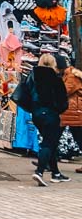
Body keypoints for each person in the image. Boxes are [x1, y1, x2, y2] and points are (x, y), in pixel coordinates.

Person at [31, 54, 70, 186]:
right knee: (48, 143)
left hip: (36, 114)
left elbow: (26, 93)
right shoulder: (56, 80)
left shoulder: (33, 77)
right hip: (50, 114)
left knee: (50, 142)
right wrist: (58, 110)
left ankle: (56, 173)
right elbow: (63, 101)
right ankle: (40, 171)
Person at [61, 63, 82, 175]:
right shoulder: (69, 75)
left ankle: (46, 162)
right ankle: (46, 161)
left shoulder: (71, 77)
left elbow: (65, 91)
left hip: (73, 111)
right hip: (71, 111)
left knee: (79, 137)